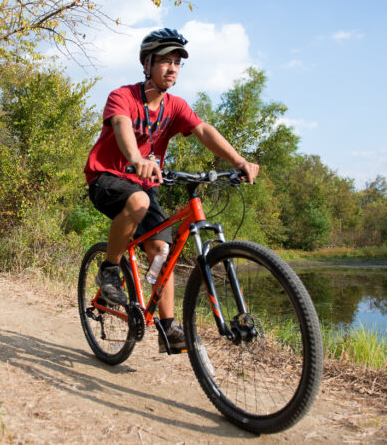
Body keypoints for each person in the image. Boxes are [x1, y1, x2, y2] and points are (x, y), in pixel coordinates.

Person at [84, 28, 260, 352]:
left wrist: (239, 161)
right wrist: (136, 159)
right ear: (147, 63)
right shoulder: (123, 96)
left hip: (143, 184)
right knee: (137, 201)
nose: (172, 68)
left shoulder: (175, 106)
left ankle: (168, 328)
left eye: (177, 62)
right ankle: (109, 270)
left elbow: (203, 129)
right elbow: (122, 126)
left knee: (162, 251)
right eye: (165, 60)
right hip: (107, 177)